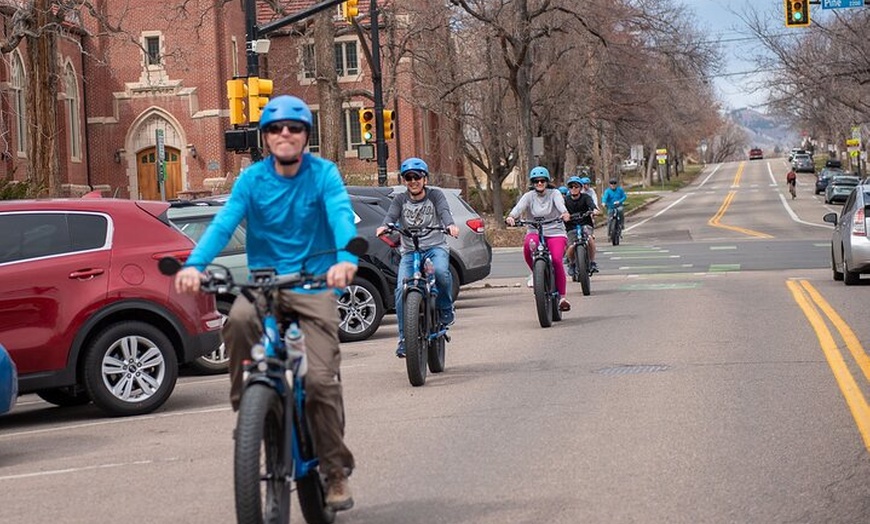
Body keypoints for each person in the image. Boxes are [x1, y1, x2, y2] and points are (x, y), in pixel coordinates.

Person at [173, 95, 357, 512]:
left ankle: (334, 471)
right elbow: (224, 223)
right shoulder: (252, 180)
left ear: (306, 135)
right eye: (276, 129)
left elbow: (341, 216)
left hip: (313, 285)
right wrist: (195, 264)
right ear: (266, 136)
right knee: (237, 319)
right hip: (264, 285)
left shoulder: (323, 174)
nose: (285, 134)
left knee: (319, 382)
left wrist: (345, 260)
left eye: (294, 127)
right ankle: (250, 409)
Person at [376, 157, 459, 359]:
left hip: (434, 247)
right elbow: (391, 217)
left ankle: (446, 308)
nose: (413, 181)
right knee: (400, 290)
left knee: (440, 272)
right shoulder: (400, 200)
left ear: (425, 179)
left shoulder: (435, 195)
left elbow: (444, 212)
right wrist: (384, 226)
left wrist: (450, 224)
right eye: (408, 177)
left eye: (417, 177)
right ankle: (405, 339)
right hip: (410, 251)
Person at [505, 166, 572, 311]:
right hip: (535, 230)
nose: (539, 183)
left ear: (547, 181)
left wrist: (565, 213)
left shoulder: (554, 193)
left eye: (542, 180)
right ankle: (536, 274)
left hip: (555, 231)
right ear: (533, 183)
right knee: (528, 247)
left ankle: (562, 298)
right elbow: (519, 208)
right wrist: (511, 216)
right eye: (536, 181)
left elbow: (561, 205)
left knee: (556, 260)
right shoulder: (528, 196)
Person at [563, 176, 599, 274]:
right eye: (571, 187)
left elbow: (592, 205)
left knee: (590, 239)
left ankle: (592, 262)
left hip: (585, 224)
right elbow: (560, 210)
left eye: (576, 186)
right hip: (571, 226)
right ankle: (572, 263)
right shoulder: (565, 200)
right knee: (570, 246)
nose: (574, 189)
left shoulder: (586, 197)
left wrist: (594, 210)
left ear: (580, 188)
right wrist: (563, 215)